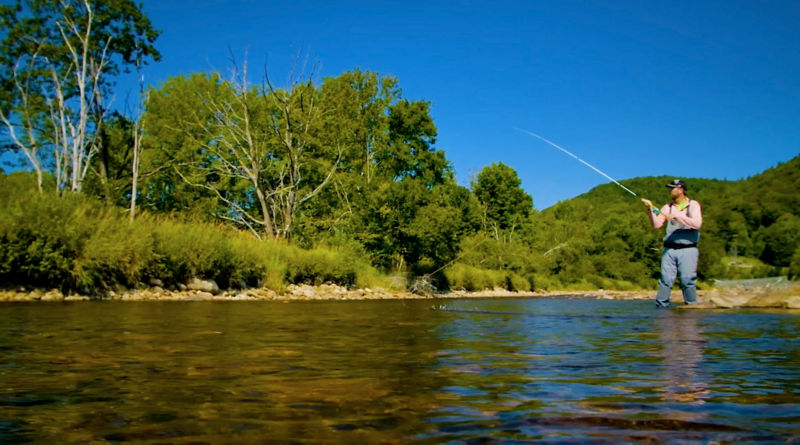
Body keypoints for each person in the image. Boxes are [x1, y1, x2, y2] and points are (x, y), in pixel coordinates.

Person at [641, 179, 703, 307]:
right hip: (669, 250)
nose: (670, 191)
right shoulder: (666, 207)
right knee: (665, 280)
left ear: (681, 189)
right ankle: (661, 309)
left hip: (688, 249)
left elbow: (697, 224)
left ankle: (692, 307)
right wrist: (651, 210)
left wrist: (676, 216)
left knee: (687, 280)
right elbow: (657, 224)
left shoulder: (693, 205)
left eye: (672, 188)